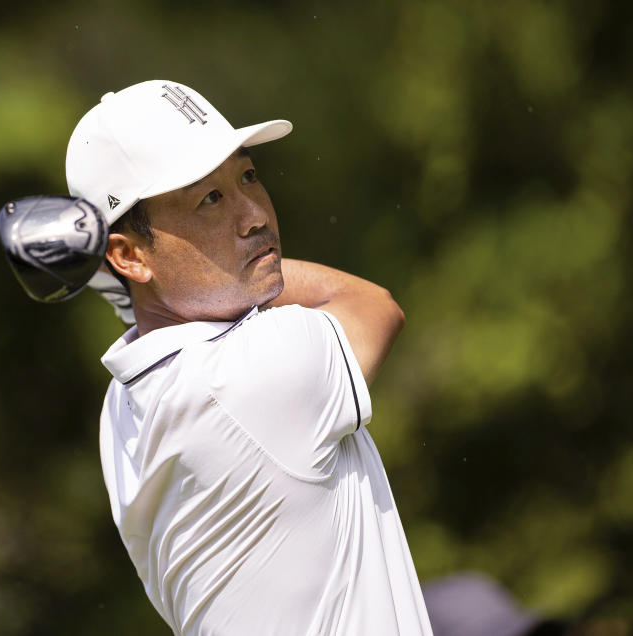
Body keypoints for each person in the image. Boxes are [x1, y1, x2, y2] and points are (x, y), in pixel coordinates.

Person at [65, 80, 434, 635]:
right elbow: (372, 304)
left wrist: (135, 285)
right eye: (209, 199)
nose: (255, 215)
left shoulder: (122, 402)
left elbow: (182, 317)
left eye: (248, 177)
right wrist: (133, 284)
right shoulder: (255, 370)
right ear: (128, 255)